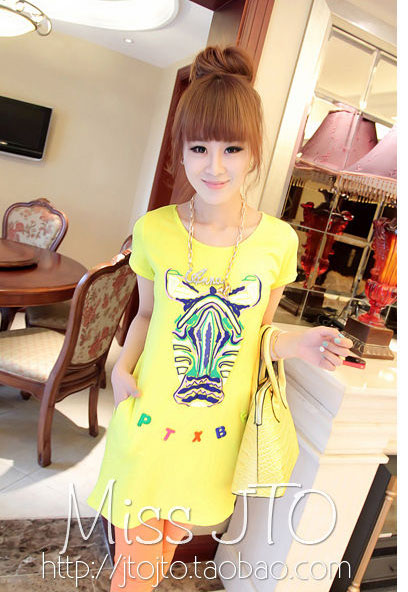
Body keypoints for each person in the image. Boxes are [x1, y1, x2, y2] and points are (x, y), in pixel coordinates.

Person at [87, 44, 353, 591]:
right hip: (147, 419)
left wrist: (300, 344)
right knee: (135, 568)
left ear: (254, 153)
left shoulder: (278, 242)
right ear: (180, 152)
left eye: (232, 148)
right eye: (199, 147)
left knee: (164, 545)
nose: (214, 166)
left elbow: (258, 335)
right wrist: (122, 369)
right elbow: (146, 315)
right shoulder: (154, 229)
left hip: (212, 435)